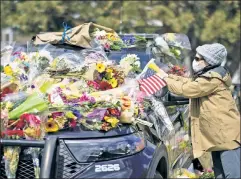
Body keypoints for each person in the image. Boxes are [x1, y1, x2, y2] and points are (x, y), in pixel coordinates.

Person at [157, 43, 240, 178]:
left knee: (232, 174)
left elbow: (187, 89)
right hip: (218, 134)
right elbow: (189, 83)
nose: (194, 61)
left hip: (226, 134)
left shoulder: (212, 79)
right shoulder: (208, 76)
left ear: (208, 61)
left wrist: (166, 79)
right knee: (220, 173)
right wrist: (168, 76)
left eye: (197, 59)